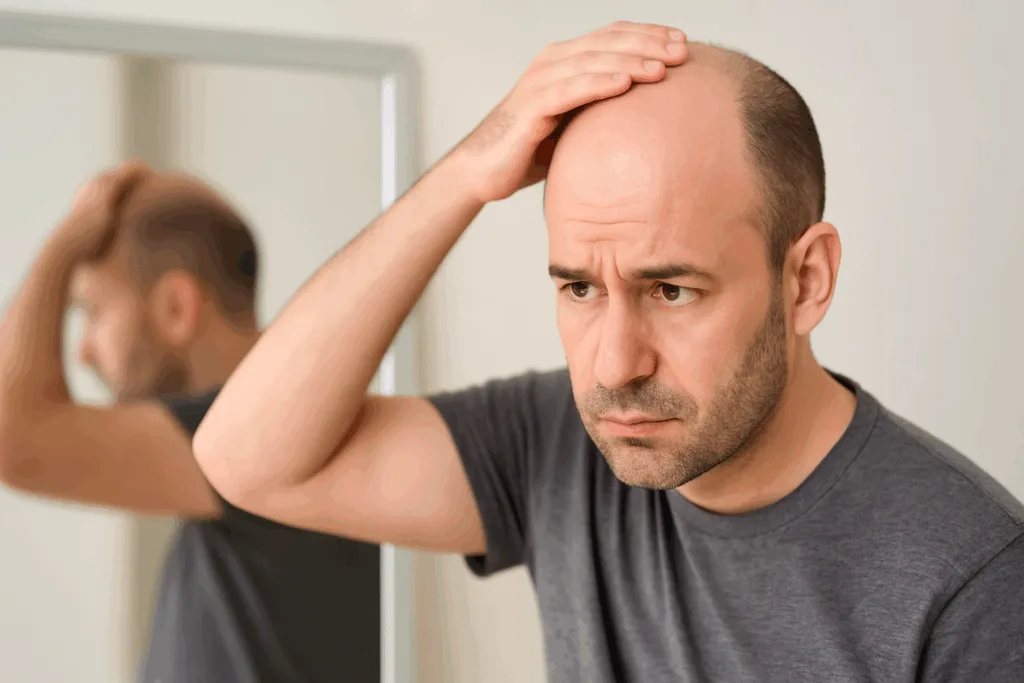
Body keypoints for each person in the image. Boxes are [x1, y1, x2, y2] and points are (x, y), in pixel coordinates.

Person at [193, 21, 1024, 683]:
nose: (615, 365)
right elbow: (248, 459)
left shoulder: (971, 579)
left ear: (805, 279)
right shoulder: (564, 443)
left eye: (672, 290)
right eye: (580, 288)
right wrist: (465, 174)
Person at [0, 164, 380, 683]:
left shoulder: (265, 435)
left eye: (93, 311)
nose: (83, 351)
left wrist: (69, 240)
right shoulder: (265, 433)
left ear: (177, 307)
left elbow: (14, 436)